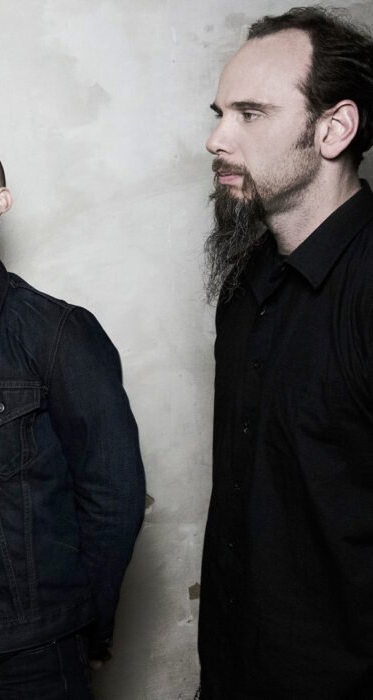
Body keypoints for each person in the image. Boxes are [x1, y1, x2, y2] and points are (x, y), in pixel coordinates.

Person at [0, 107, 146, 699]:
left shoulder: (57, 332)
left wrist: (86, 627)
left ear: (0, 200)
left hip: (30, 657)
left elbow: (114, 497)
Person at [199, 7, 373, 697]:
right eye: (220, 114)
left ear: (334, 129)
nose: (216, 139)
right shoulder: (245, 283)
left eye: (250, 114)